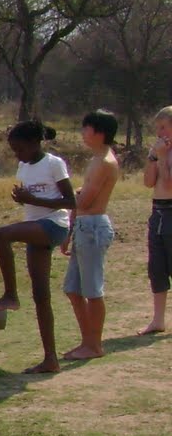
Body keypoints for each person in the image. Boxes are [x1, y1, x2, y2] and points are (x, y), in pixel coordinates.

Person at [0, 120, 75, 374]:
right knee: (41, 296)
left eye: (20, 149)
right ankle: (51, 360)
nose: (17, 154)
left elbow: (70, 200)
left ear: (35, 143)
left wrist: (31, 198)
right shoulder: (23, 167)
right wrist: (22, 200)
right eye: (14, 150)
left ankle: (10, 295)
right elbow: (31, 203)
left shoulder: (54, 163)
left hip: (54, 225)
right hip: (36, 227)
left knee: (1, 235)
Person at [60, 110, 122, 361]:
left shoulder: (105, 162)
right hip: (84, 226)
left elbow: (86, 200)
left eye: (87, 129)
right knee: (73, 290)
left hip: (93, 228)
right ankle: (88, 342)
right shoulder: (96, 159)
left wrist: (70, 197)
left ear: (99, 132)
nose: (83, 133)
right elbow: (82, 200)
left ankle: (94, 345)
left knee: (92, 290)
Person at [140, 105, 172, 336]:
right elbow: (149, 182)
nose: (160, 133)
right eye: (157, 128)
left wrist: (161, 158)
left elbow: (170, 184)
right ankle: (158, 320)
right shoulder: (159, 150)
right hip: (157, 211)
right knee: (157, 268)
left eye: (164, 127)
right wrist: (153, 157)